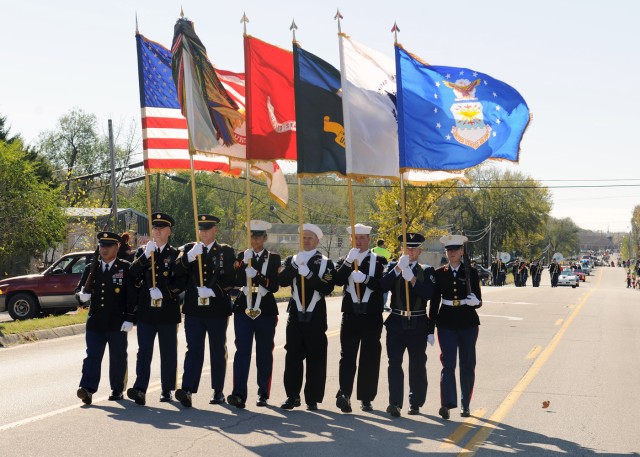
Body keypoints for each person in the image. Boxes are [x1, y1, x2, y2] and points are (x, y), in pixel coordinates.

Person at [173, 214, 236, 408]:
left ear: (215, 230)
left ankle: (218, 391)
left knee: (217, 350)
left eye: (207, 229)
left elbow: (231, 279)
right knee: (193, 350)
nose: (203, 233)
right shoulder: (189, 250)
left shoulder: (225, 251)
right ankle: (188, 389)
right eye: (201, 229)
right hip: (194, 309)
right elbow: (176, 272)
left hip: (216, 309)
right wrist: (189, 257)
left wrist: (214, 290)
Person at [126, 212, 183, 405]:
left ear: (169, 232)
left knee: (168, 351)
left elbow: (180, 282)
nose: (157, 231)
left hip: (166, 310)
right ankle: (140, 388)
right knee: (144, 351)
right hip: (146, 311)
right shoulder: (143, 251)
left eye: (161, 228)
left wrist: (165, 293)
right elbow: (132, 274)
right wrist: (144, 257)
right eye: (154, 228)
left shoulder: (175, 254)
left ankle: (166, 389)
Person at [278, 223, 335, 411]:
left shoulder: (326, 262)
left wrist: (309, 274)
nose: (306, 241)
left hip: (316, 314)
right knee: (293, 355)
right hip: (295, 313)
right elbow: (282, 281)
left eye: (310, 238)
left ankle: (312, 397)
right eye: (303, 237)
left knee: (316, 357)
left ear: (318, 240)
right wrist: (295, 266)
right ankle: (292, 396)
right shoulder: (292, 259)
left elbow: (327, 288)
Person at [75, 231, 137, 405]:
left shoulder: (125, 267)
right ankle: (87, 389)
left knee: (117, 356)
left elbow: (132, 295)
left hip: (118, 321)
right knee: (92, 356)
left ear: (117, 247)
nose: (104, 250)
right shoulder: (91, 267)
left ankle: (117, 389)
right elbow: (78, 290)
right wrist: (81, 296)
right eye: (101, 246)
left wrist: (130, 318)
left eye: (108, 246)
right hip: (96, 321)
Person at [334, 223, 388, 413]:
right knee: (347, 357)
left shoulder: (379, 260)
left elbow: (383, 285)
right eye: (356, 238)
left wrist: (365, 279)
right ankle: (345, 395)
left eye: (363, 238)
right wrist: (348, 262)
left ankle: (366, 398)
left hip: (371, 316)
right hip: (350, 315)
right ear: (351, 239)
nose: (359, 241)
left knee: (370, 357)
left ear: (369, 240)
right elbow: (337, 280)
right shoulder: (345, 260)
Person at [380, 233, 436, 417]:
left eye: (413, 248)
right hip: (396, 322)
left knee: (417, 364)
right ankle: (395, 403)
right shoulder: (393, 267)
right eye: (406, 248)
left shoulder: (426, 271)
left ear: (420, 250)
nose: (409, 251)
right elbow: (381, 286)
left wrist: (412, 279)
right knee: (394, 363)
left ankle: (415, 402)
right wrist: (397, 269)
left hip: (418, 322)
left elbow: (429, 294)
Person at [227, 220, 281, 409]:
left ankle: (263, 393)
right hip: (244, 307)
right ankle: (239, 393)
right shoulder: (243, 255)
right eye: (252, 236)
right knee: (242, 351)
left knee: (264, 352)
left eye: (258, 236)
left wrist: (256, 274)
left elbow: (274, 286)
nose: (254, 239)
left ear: (265, 238)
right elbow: (237, 280)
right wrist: (243, 264)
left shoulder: (273, 258)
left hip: (265, 309)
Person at [429, 234, 482, 419]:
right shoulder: (438, 273)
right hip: (446, 322)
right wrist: (430, 328)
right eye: (449, 250)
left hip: (468, 322)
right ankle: (447, 403)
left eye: (455, 250)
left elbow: (478, 299)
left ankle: (465, 404)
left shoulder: (471, 272)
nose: (452, 253)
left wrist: (475, 302)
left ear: (461, 251)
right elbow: (434, 302)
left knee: (467, 364)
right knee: (448, 363)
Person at [372, 239, 392, 310]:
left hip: (372, 270)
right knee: (384, 288)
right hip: (382, 271)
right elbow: (390, 256)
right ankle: (383, 303)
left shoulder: (372, 250)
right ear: (383, 244)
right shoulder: (384, 251)